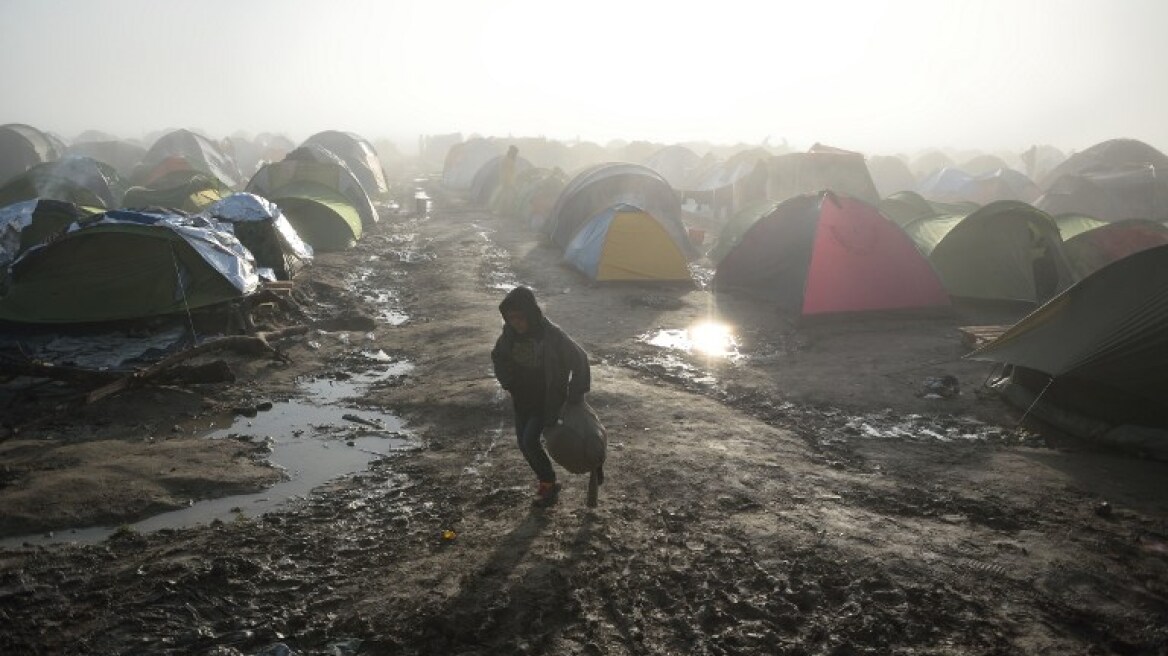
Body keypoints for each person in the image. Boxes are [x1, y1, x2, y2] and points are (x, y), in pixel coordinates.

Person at [491, 286, 590, 507]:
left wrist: (575, 394)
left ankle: (548, 483)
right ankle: (547, 482)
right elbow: (498, 357)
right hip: (522, 399)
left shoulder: (552, 335)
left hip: (545, 400)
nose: (516, 322)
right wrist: (508, 382)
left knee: (530, 440)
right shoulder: (508, 336)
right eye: (511, 318)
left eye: (520, 317)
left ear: (531, 313)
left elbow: (580, 358)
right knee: (523, 444)